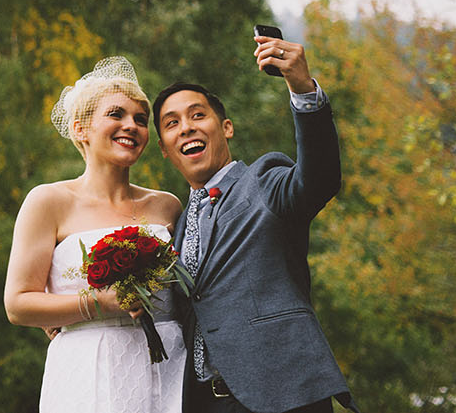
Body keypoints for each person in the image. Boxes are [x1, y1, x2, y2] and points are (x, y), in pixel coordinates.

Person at [151, 32, 357, 413]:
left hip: (284, 394)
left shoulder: (265, 180)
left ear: (225, 127)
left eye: (198, 115)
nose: (187, 127)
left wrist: (302, 88)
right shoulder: (173, 227)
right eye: (171, 123)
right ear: (165, 149)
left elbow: (319, 178)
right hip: (202, 402)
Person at [5, 56, 186, 413]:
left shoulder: (168, 206)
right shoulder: (49, 201)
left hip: (170, 364)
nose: (131, 126)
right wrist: (94, 304)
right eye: (116, 114)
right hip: (90, 365)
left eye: (140, 119)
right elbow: (18, 304)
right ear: (80, 129)